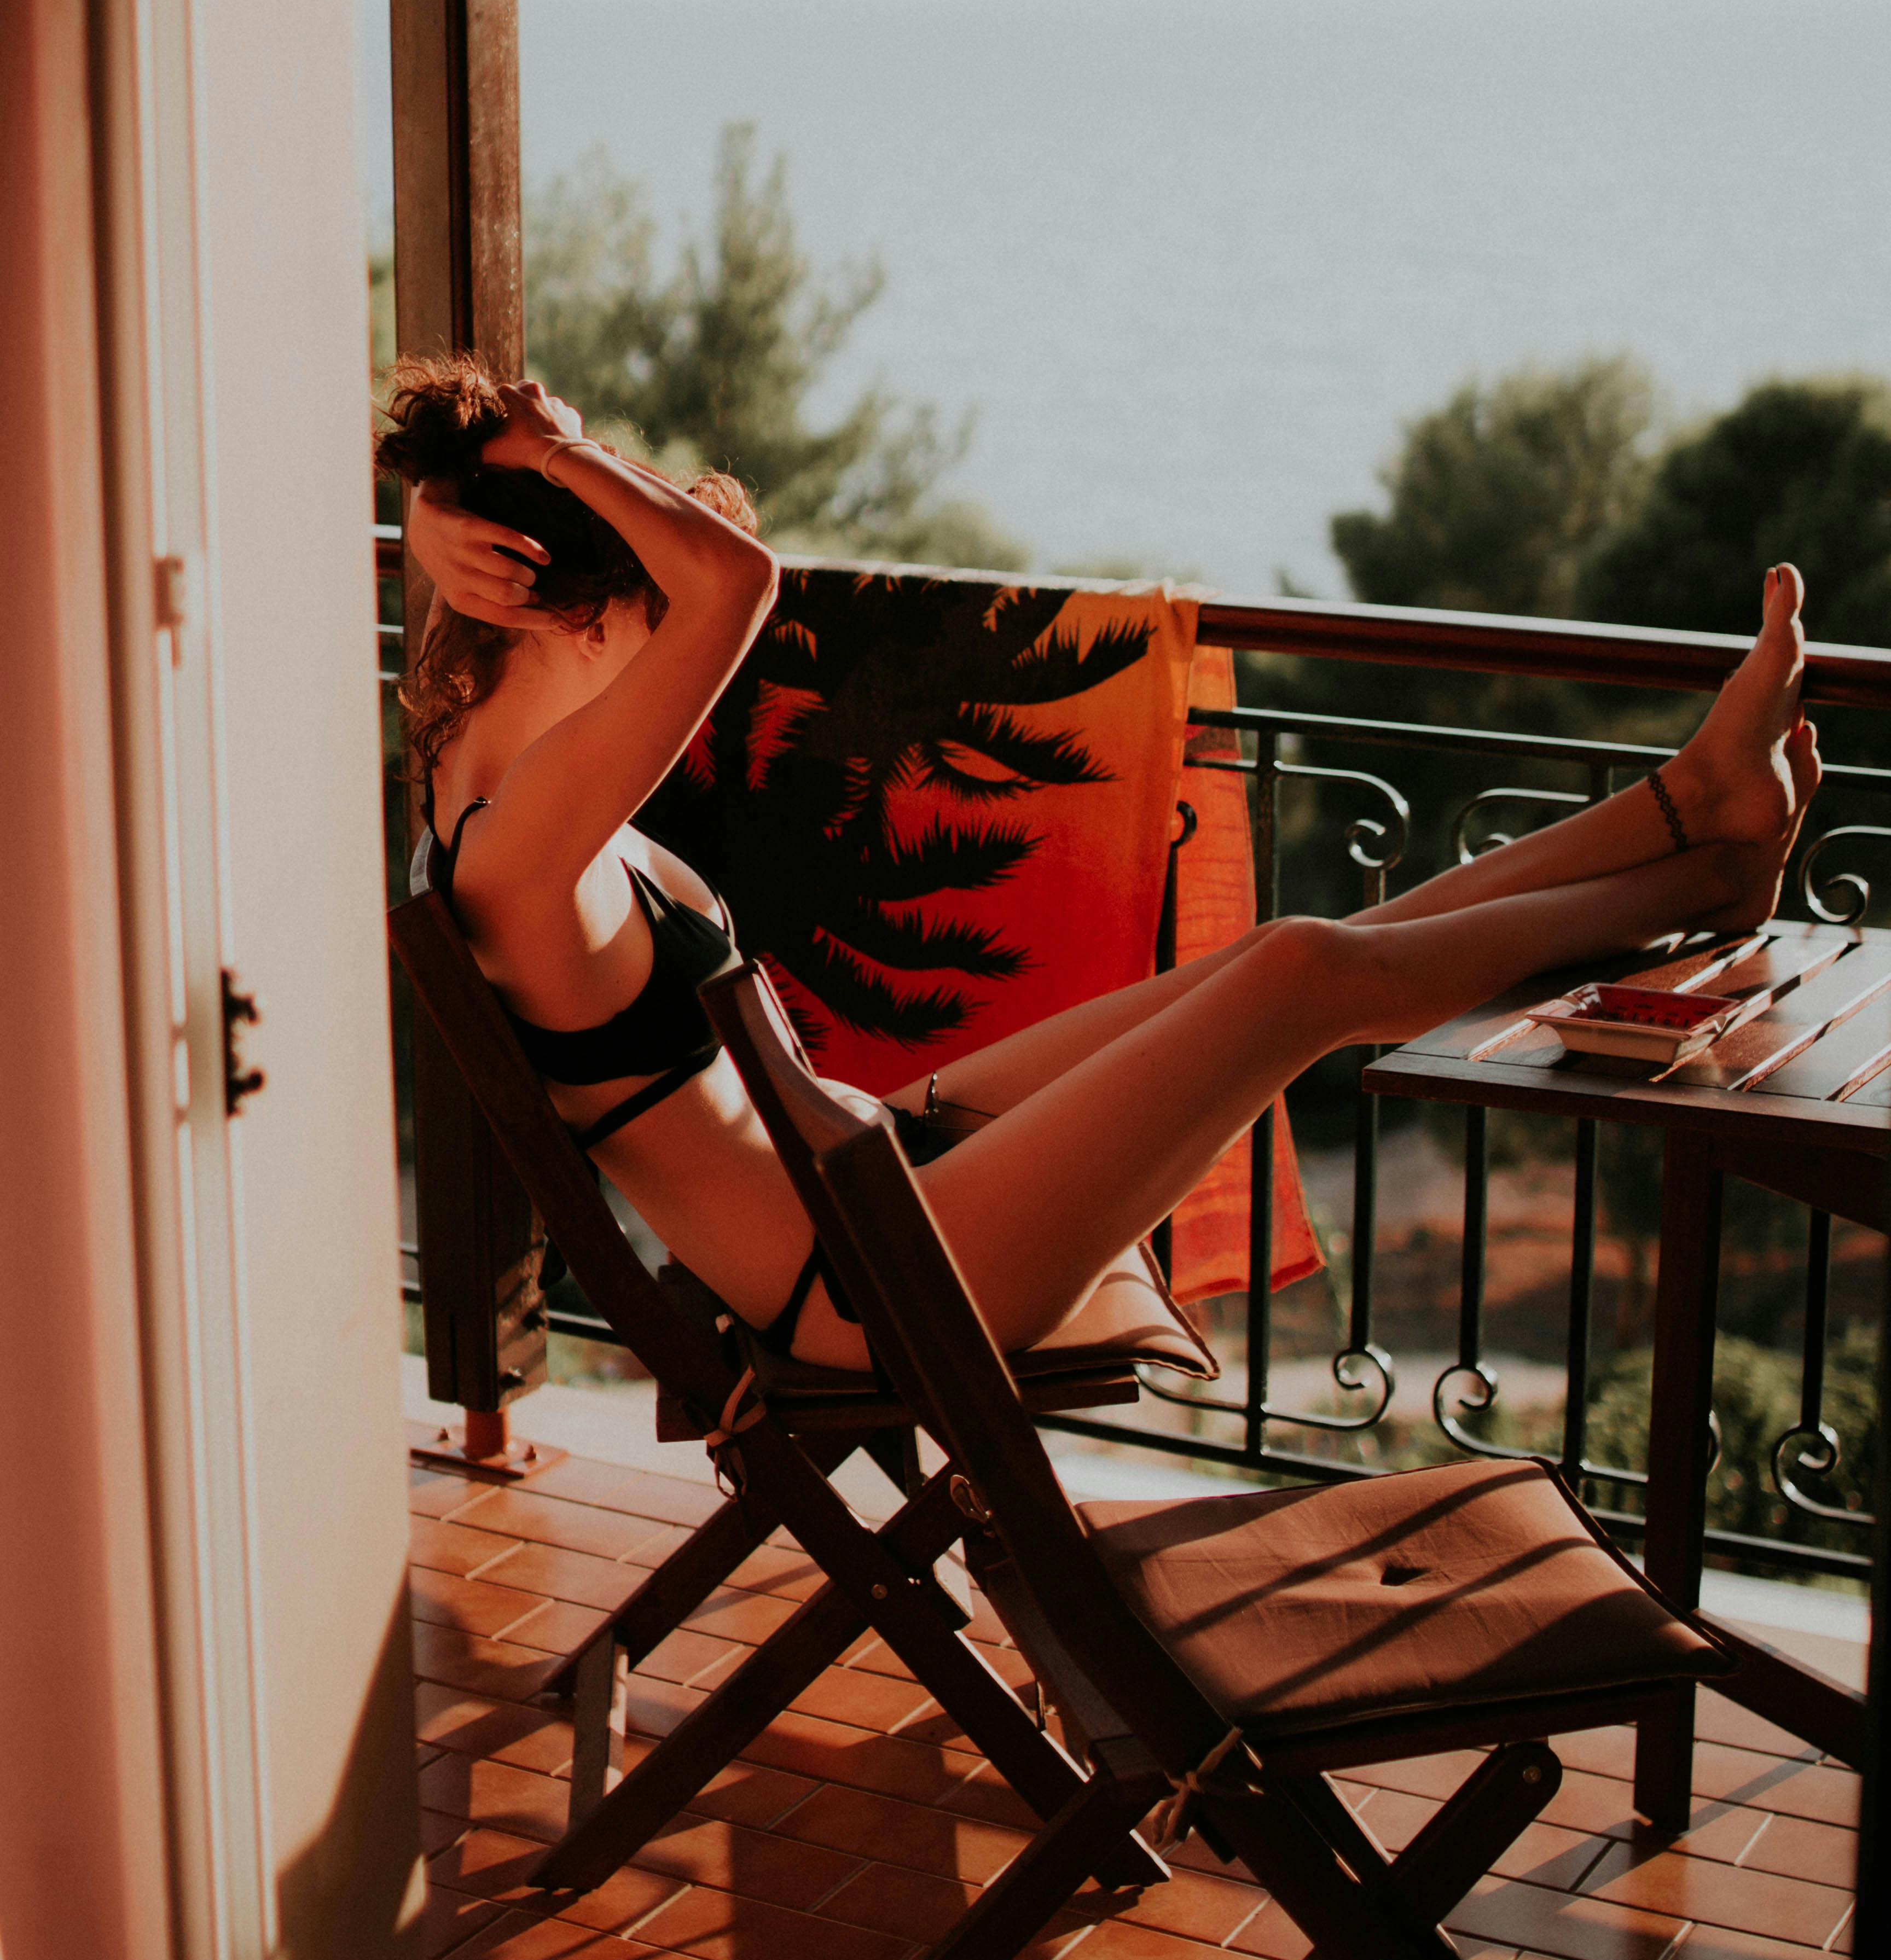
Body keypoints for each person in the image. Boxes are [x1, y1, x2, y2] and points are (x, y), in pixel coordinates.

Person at [381, 357, 1821, 1369]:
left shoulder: (492, 789)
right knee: (1306, 979)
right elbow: (737, 588)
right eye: (642, 621)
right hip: (873, 1277)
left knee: (1276, 951)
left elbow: (684, 575)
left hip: (891, 1153)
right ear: (572, 621)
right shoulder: (525, 848)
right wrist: (557, 455)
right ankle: (1704, 875)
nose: (670, 681)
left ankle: (1684, 811)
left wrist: (448, 509)